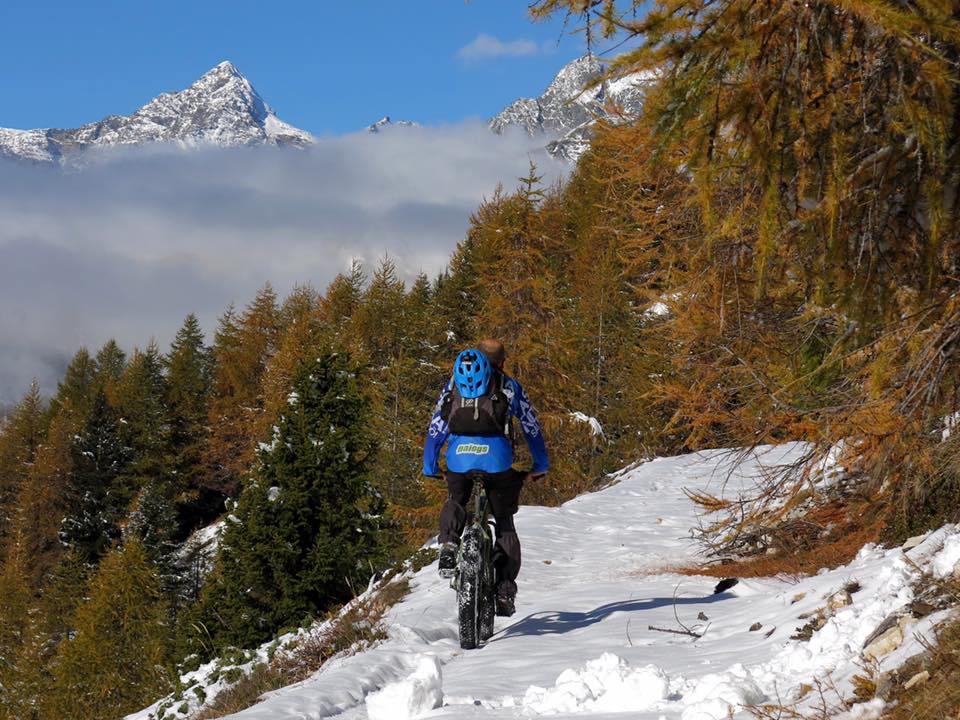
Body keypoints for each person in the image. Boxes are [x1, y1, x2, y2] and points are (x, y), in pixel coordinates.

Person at [422, 339, 549, 617]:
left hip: (458, 458)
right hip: (497, 460)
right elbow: (531, 427)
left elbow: (436, 427)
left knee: (456, 497)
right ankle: (504, 587)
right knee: (504, 524)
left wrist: (430, 466)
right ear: (502, 362)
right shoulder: (509, 386)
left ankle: (448, 543)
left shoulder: (454, 384)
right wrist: (540, 464)